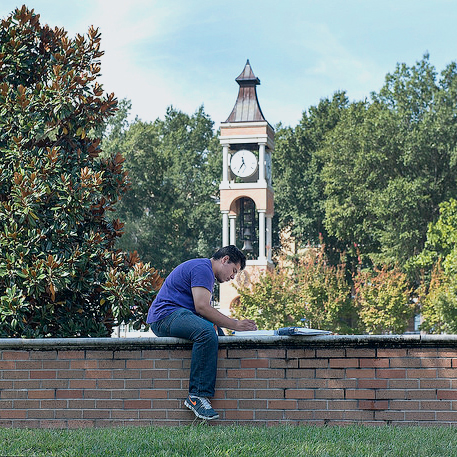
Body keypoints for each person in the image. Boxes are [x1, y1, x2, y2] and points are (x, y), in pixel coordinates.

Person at [147, 245, 257, 420]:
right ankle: (197, 396)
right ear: (225, 259)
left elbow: (202, 312)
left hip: (180, 315)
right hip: (165, 316)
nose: (232, 277)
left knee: (217, 333)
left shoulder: (205, 272)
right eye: (234, 271)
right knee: (206, 332)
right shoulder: (202, 269)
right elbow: (202, 307)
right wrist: (236, 324)